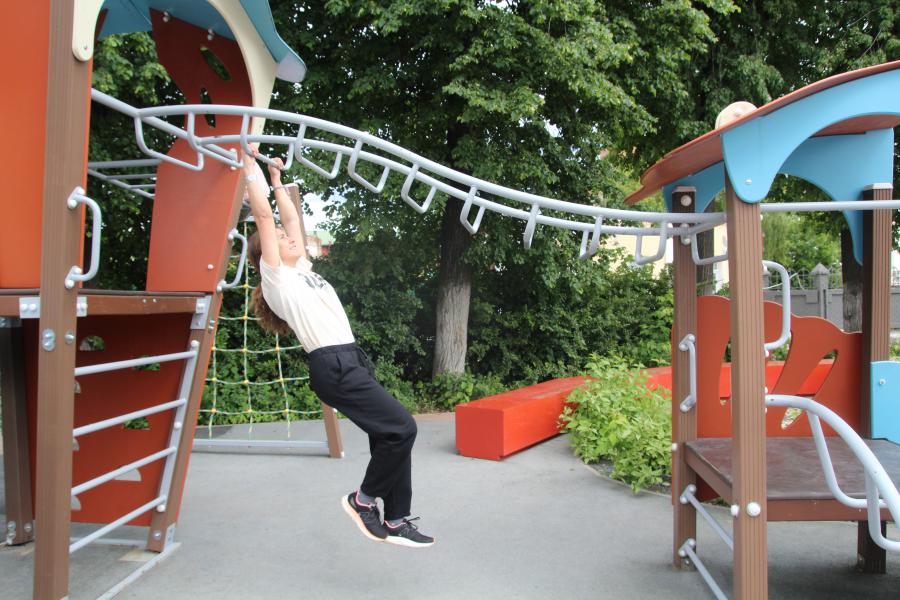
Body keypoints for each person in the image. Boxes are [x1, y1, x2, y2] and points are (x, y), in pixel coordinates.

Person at [241, 147, 434, 548]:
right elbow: (265, 218)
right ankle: (362, 501)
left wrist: (277, 180)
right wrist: (248, 165)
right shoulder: (277, 279)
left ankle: (396, 519)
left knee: (388, 435)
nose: (288, 237)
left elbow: (289, 219)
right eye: (279, 240)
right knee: (403, 428)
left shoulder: (302, 269)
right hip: (333, 365)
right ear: (265, 257)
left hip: (351, 360)